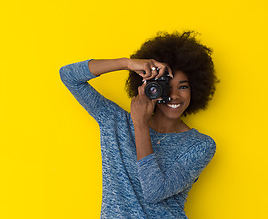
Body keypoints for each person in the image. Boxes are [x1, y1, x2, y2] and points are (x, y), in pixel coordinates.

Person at [59, 30, 220, 218]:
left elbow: (154, 191)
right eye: (166, 86)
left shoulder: (200, 146)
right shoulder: (115, 122)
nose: (175, 95)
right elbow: (69, 76)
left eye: (183, 86)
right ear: (151, 87)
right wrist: (126, 63)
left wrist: (140, 125)